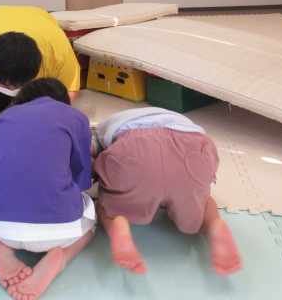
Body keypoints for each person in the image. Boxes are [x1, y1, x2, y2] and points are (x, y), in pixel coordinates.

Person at [0, 78, 96, 300]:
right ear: (64, 101)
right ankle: (61, 258)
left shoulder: (1, 119)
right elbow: (82, 177)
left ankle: (1, 245)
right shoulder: (76, 117)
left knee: (7, 203)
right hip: (58, 232)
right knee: (90, 220)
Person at [91, 107, 242, 276]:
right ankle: (213, 225)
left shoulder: (100, 128)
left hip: (135, 148)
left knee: (107, 204)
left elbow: (87, 152)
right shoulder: (180, 119)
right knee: (202, 198)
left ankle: (117, 223)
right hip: (192, 145)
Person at [0, 5, 81, 116]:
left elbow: (69, 92)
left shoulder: (58, 54)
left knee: (41, 107)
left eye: (19, 86)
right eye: (6, 85)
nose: (13, 90)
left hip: (38, 18)